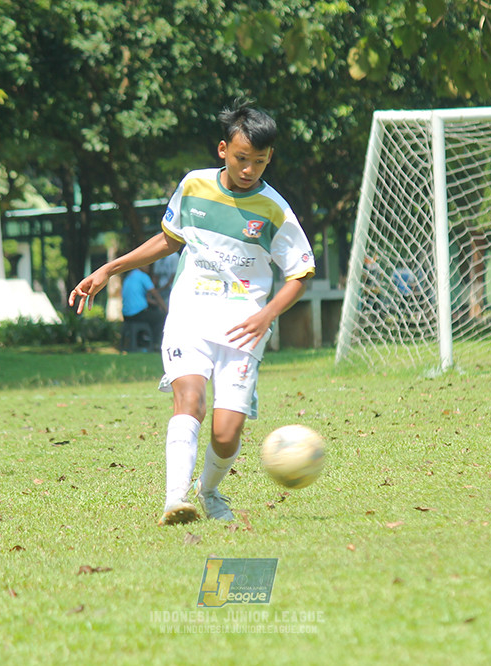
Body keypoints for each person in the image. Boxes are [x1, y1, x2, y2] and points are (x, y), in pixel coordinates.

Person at [70, 100, 315, 525]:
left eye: (259, 162)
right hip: (190, 315)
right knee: (190, 400)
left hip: (243, 329)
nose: (248, 169)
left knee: (226, 433)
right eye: (241, 158)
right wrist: (110, 269)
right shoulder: (194, 185)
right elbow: (169, 239)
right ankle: (174, 500)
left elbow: (300, 274)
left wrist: (267, 316)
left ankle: (209, 489)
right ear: (223, 149)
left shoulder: (275, 209)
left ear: (269, 158)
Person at [121, 266, 167, 348]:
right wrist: (166, 309)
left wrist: (157, 304)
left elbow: (144, 299)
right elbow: (155, 294)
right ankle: (155, 343)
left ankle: (142, 341)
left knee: (152, 314)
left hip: (126, 315)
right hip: (137, 314)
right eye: (147, 265)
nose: (148, 267)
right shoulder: (143, 276)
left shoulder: (130, 275)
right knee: (161, 317)